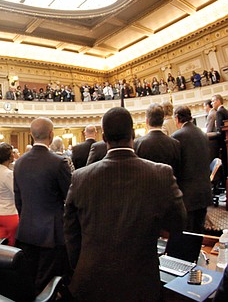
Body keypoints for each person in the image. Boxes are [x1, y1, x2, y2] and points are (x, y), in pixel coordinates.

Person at [64, 107, 186, 302]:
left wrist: (81, 265)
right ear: (132, 135)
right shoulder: (161, 173)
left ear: (104, 138)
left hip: (90, 282)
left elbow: (71, 233)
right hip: (141, 282)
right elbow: (178, 223)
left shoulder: (80, 177)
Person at [14, 117, 71, 294]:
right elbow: (69, 198)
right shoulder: (58, 162)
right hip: (51, 236)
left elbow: (19, 201)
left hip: (26, 231)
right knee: (48, 286)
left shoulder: (19, 163)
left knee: (29, 281)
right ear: (52, 135)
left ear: (31, 135)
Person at [172, 105, 213, 232]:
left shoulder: (177, 136)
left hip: (188, 196)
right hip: (204, 192)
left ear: (177, 118)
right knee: (199, 233)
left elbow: (176, 166)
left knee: (188, 235)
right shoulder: (202, 134)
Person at [133, 103, 181, 175]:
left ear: (147, 121)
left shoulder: (137, 144)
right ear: (163, 120)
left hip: (147, 185)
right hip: (169, 184)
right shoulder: (175, 144)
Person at [0, 143, 17, 246]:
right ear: (9, 156)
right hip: (8, 214)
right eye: (12, 153)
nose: (14, 155)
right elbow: (16, 193)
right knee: (11, 247)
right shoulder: (8, 174)